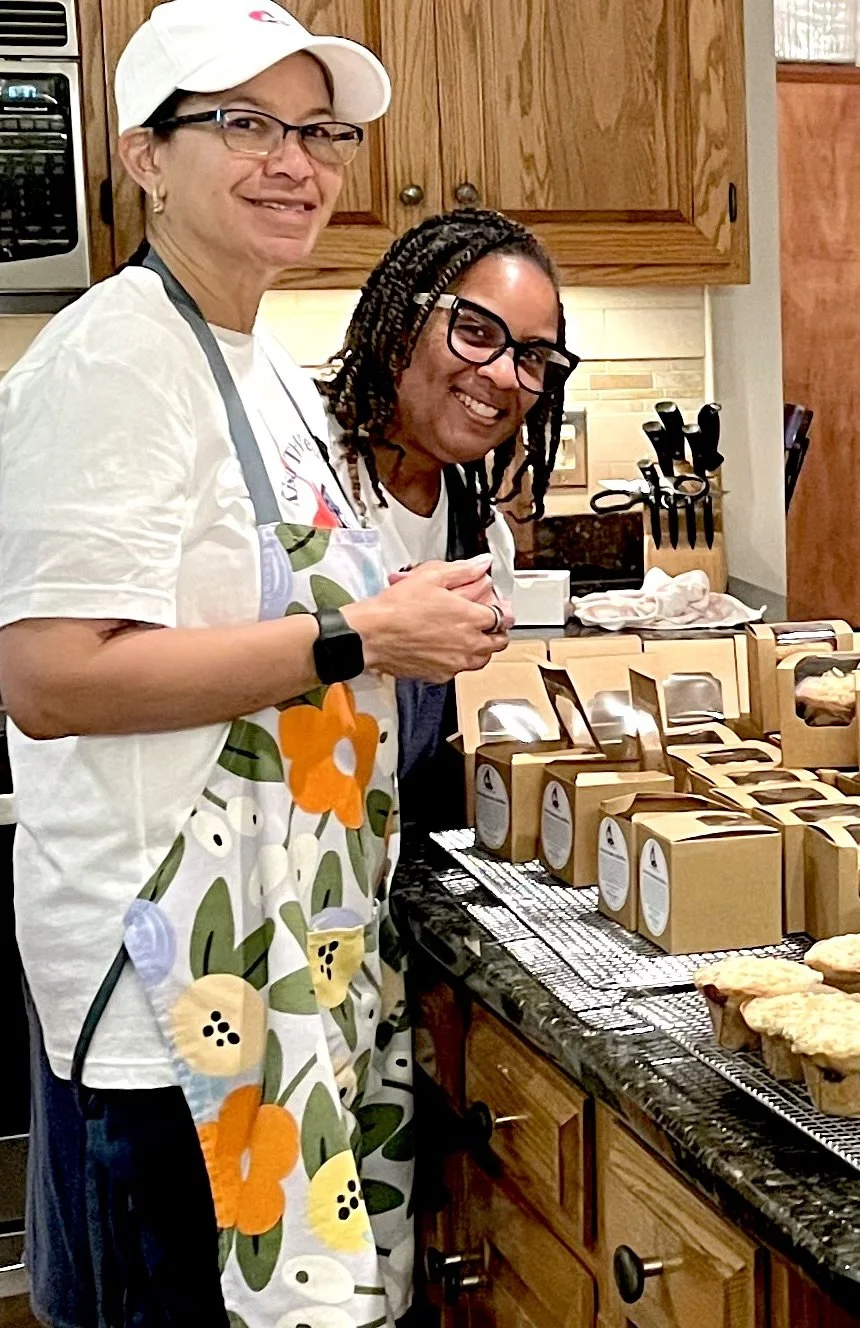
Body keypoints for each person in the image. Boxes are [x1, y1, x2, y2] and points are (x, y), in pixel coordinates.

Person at [0, 2, 509, 1321]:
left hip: (279, 966)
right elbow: (51, 680)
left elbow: (260, 606)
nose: (299, 161)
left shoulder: (262, 365)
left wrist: (392, 605)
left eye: (320, 130)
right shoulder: (112, 361)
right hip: (165, 986)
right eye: (246, 125)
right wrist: (359, 635)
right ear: (146, 155)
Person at [324, 208, 576, 827]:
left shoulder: (477, 532)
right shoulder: (300, 468)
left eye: (533, 356)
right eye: (476, 331)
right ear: (401, 319)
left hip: (374, 867)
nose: (501, 374)